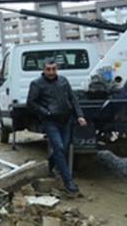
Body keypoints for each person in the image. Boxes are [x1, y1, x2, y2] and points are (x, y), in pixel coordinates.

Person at [27, 59, 87, 194]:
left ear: (57, 69)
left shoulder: (63, 81)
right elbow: (31, 103)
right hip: (50, 121)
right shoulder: (37, 84)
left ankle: (47, 167)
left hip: (66, 120)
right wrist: (46, 112)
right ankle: (68, 180)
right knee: (59, 148)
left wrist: (80, 115)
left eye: (53, 69)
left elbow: (73, 98)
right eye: (48, 69)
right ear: (43, 70)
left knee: (63, 148)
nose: (51, 72)